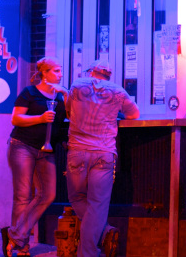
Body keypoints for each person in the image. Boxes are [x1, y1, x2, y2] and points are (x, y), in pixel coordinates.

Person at [65, 62, 139, 257]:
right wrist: (115, 112)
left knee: (76, 197)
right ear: (108, 75)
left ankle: (97, 239)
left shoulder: (76, 85)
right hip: (104, 153)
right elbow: (134, 114)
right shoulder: (118, 91)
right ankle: (94, 243)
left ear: (91, 72)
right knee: (97, 205)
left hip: (77, 152)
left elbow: (67, 111)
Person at [3, 57, 67, 257]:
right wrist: (39, 118)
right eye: (56, 71)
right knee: (23, 196)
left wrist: (66, 94)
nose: (60, 74)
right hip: (23, 146)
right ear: (44, 73)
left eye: (60, 70)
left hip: (46, 151)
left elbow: (65, 122)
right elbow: (16, 118)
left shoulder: (59, 97)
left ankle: (14, 235)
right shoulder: (29, 92)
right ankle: (22, 246)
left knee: (48, 194)